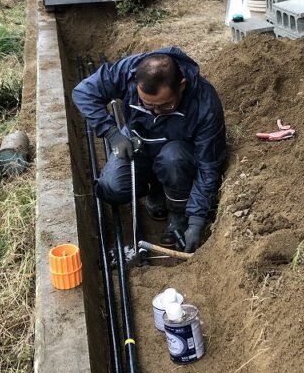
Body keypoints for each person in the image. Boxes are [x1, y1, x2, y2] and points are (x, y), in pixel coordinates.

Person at [72, 47, 227, 252]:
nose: (155, 112)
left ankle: (177, 215)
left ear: (181, 86)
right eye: (148, 105)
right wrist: (112, 134)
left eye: (164, 106)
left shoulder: (205, 102)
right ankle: (155, 189)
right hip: (137, 141)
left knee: (173, 158)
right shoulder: (128, 71)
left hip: (178, 156)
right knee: (111, 189)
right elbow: (83, 92)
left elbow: (208, 165)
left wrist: (196, 221)